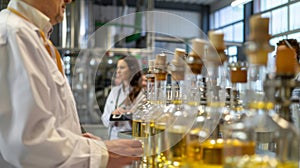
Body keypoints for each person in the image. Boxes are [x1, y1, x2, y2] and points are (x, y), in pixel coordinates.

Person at [0, 0, 143, 167]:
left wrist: (76, 141)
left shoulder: (34, 36)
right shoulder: (14, 35)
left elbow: (41, 126)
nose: (69, 0)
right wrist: (99, 153)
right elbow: (28, 144)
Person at [102, 56, 145, 140]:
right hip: (113, 139)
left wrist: (128, 114)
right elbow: (104, 119)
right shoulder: (114, 91)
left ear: (132, 69)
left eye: (122, 68)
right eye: (117, 68)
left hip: (131, 141)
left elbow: (143, 121)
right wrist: (113, 115)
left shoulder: (142, 93)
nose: (118, 71)